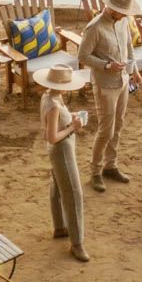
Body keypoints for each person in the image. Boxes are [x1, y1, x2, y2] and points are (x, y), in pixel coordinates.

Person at [77, 0, 142, 192]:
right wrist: (106, 66)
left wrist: (134, 70)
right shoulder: (94, 28)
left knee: (119, 124)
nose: (126, 15)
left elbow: (128, 47)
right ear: (112, 9)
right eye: (123, 12)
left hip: (122, 81)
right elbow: (82, 56)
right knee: (106, 129)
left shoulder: (123, 21)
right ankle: (95, 172)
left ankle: (110, 166)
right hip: (105, 84)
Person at [36, 64, 91, 263]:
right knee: (74, 193)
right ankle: (77, 243)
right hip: (62, 150)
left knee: (58, 187)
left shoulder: (49, 96)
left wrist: (70, 117)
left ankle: (60, 226)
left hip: (58, 151)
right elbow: (52, 137)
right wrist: (72, 127)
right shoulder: (54, 105)